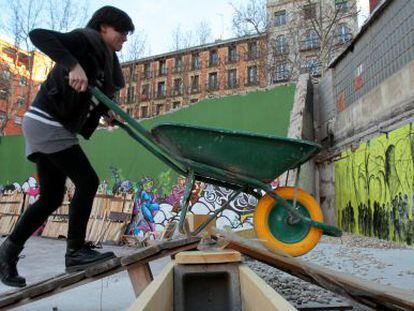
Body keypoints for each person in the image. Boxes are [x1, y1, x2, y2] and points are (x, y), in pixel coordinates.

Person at [0, 6, 134, 287]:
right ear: (104, 27)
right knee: (88, 181)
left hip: (50, 126)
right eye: (121, 32)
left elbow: (92, 97)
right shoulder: (84, 40)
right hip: (48, 122)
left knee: (51, 198)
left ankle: (7, 253)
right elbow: (38, 35)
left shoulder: (105, 63)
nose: (125, 38)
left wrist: (106, 113)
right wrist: (72, 64)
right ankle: (75, 251)